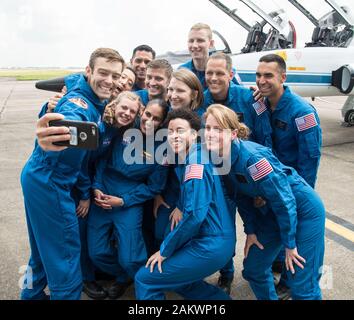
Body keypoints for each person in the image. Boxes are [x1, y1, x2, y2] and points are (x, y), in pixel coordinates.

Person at [20, 48, 125, 300]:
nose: (109, 81)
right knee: (65, 257)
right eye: (102, 73)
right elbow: (69, 118)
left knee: (42, 251)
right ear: (88, 71)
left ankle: (30, 294)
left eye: (115, 76)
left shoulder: (92, 96)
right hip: (51, 181)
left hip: (37, 176)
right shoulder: (80, 103)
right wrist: (53, 136)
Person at [204, 104, 325, 300]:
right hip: (273, 210)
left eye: (217, 129)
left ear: (233, 134)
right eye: (208, 128)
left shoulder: (252, 160)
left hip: (302, 210)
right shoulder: (218, 158)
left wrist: (290, 243)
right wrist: (251, 231)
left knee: (302, 284)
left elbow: (284, 200)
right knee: (254, 269)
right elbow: (241, 197)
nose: (210, 133)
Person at [134, 108, 236, 300]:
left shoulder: (196, 163)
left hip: (210, 243)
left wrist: (165, 250)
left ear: (194, 133)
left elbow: (195, 215)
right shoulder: (188, 158)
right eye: (170, 131)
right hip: (214, 240)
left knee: (145, 279)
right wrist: (180, 204)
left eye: (180, 130)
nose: (174, 136)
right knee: (180, 281)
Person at [87, 99, 169, 299]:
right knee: (97, 253)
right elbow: (103, 160)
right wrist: (96, 186)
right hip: (103, 193)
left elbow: (154, 186)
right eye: (148, 114)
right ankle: (123, 275)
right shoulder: (124, 127)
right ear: (142, 112)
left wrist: (123, 200)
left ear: (162, 123)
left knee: (130, 257)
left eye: (156, 119)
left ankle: (135, 280)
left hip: (129, 200)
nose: (149, 121)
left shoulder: (163, 148)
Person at [256, 53, 322, 298]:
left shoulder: (302, 112)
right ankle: (279, 268)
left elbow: (310, 158)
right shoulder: (262, 105)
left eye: (268, 76)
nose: (262, 80)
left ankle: (287, 280)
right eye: (259, 75)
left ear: (283, 77)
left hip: (294, 185)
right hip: (271, 183)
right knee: (277, 227)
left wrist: (301, 193)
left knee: (294, 235)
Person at [153, 68, 204, 246]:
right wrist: (157, 193)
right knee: (159, 232)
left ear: (194, 94)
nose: (173, 95)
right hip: (171, 189)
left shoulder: (203, 122)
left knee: (176, 234)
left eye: (180, 90)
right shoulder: (165, 116)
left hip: (194, 192)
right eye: (171, 89)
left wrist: (182, 206)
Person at [200, 52, 272, 148]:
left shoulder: (252, 98)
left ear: (231, 75)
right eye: (209, 73)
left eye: (219, 73)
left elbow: (265, 137)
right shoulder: (199, 102)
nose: (213, 78)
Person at [179, 23, 242, 90]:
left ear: (211, 44)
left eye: (200, 40)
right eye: (191, 41)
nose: (194, 45)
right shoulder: (182, 71)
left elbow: (240, 94)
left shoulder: (226, 70)